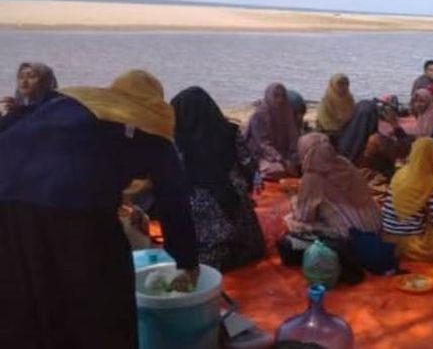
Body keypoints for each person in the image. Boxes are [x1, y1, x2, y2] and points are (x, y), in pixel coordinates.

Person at [0, 70, 198, 349]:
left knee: (25, 302)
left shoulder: (65, 104)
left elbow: (13, 124)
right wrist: (188, 262)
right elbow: (173, 197)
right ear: (154, 105)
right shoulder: (148, 128)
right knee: (103, 303)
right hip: (76, 217)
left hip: (6, 205)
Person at [171, 87, 266, 270]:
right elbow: (249, 166)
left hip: (202, 210)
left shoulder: (179, 141)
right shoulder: (230, 131)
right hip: (236, 206)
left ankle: (218, 252)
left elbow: (173, 179)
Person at [289, 133, 381, 239]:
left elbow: (304, 216)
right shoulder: (345, 163)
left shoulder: (313, 177)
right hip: (376, 226)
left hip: (351, 236)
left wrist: (295, 202)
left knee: (295, 225)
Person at [336, 101, 410, 200]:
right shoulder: (377, 141)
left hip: (350, 186)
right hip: (376, 189)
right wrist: (396, 126)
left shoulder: (342, 136)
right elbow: (405, 149)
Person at [246, 83, 300, 181]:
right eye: (276, 96)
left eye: (283, 96)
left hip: (285, 154)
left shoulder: (287, 111)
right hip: (264, 155)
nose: (280, 100)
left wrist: (293, 157)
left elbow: (294, 138)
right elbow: (263, 145)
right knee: (277, 170)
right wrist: (282, 160)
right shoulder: (259, 116)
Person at [0, 62, 59, 133]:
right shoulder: (19, 108)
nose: (24, 81)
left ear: (45, 81)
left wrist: (8, 115)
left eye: (31, 77)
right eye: (21, 77)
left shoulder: (56, 106)